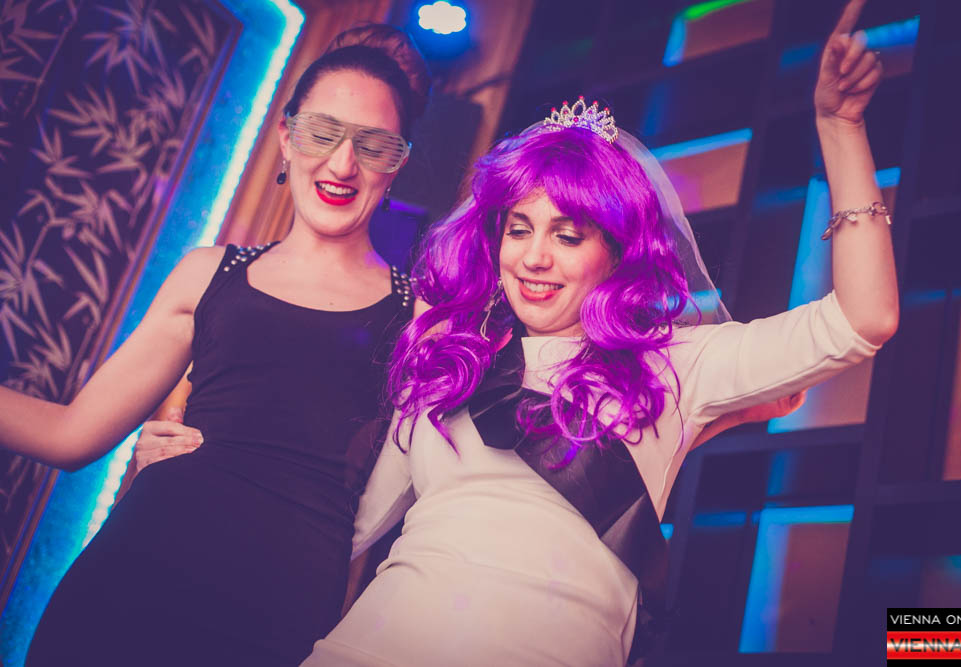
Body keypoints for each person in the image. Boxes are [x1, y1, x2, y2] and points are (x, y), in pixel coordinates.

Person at [302, 1, 896, 665]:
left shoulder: (675, 366)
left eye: (568, 235)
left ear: (615, 253)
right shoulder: (451, 360)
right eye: (519, 229)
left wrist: (840, 128)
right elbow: (347, 531)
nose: (534, 257)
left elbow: (863, 318)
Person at [0, 24, 430, 666]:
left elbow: (424, 500)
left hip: (274, 620)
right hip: (127, 586)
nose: (342, 164)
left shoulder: (420, 316)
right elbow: (70, 437)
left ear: (397, 163)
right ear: (286, 137)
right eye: (322, 133)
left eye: (372, 146)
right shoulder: (207, 272)